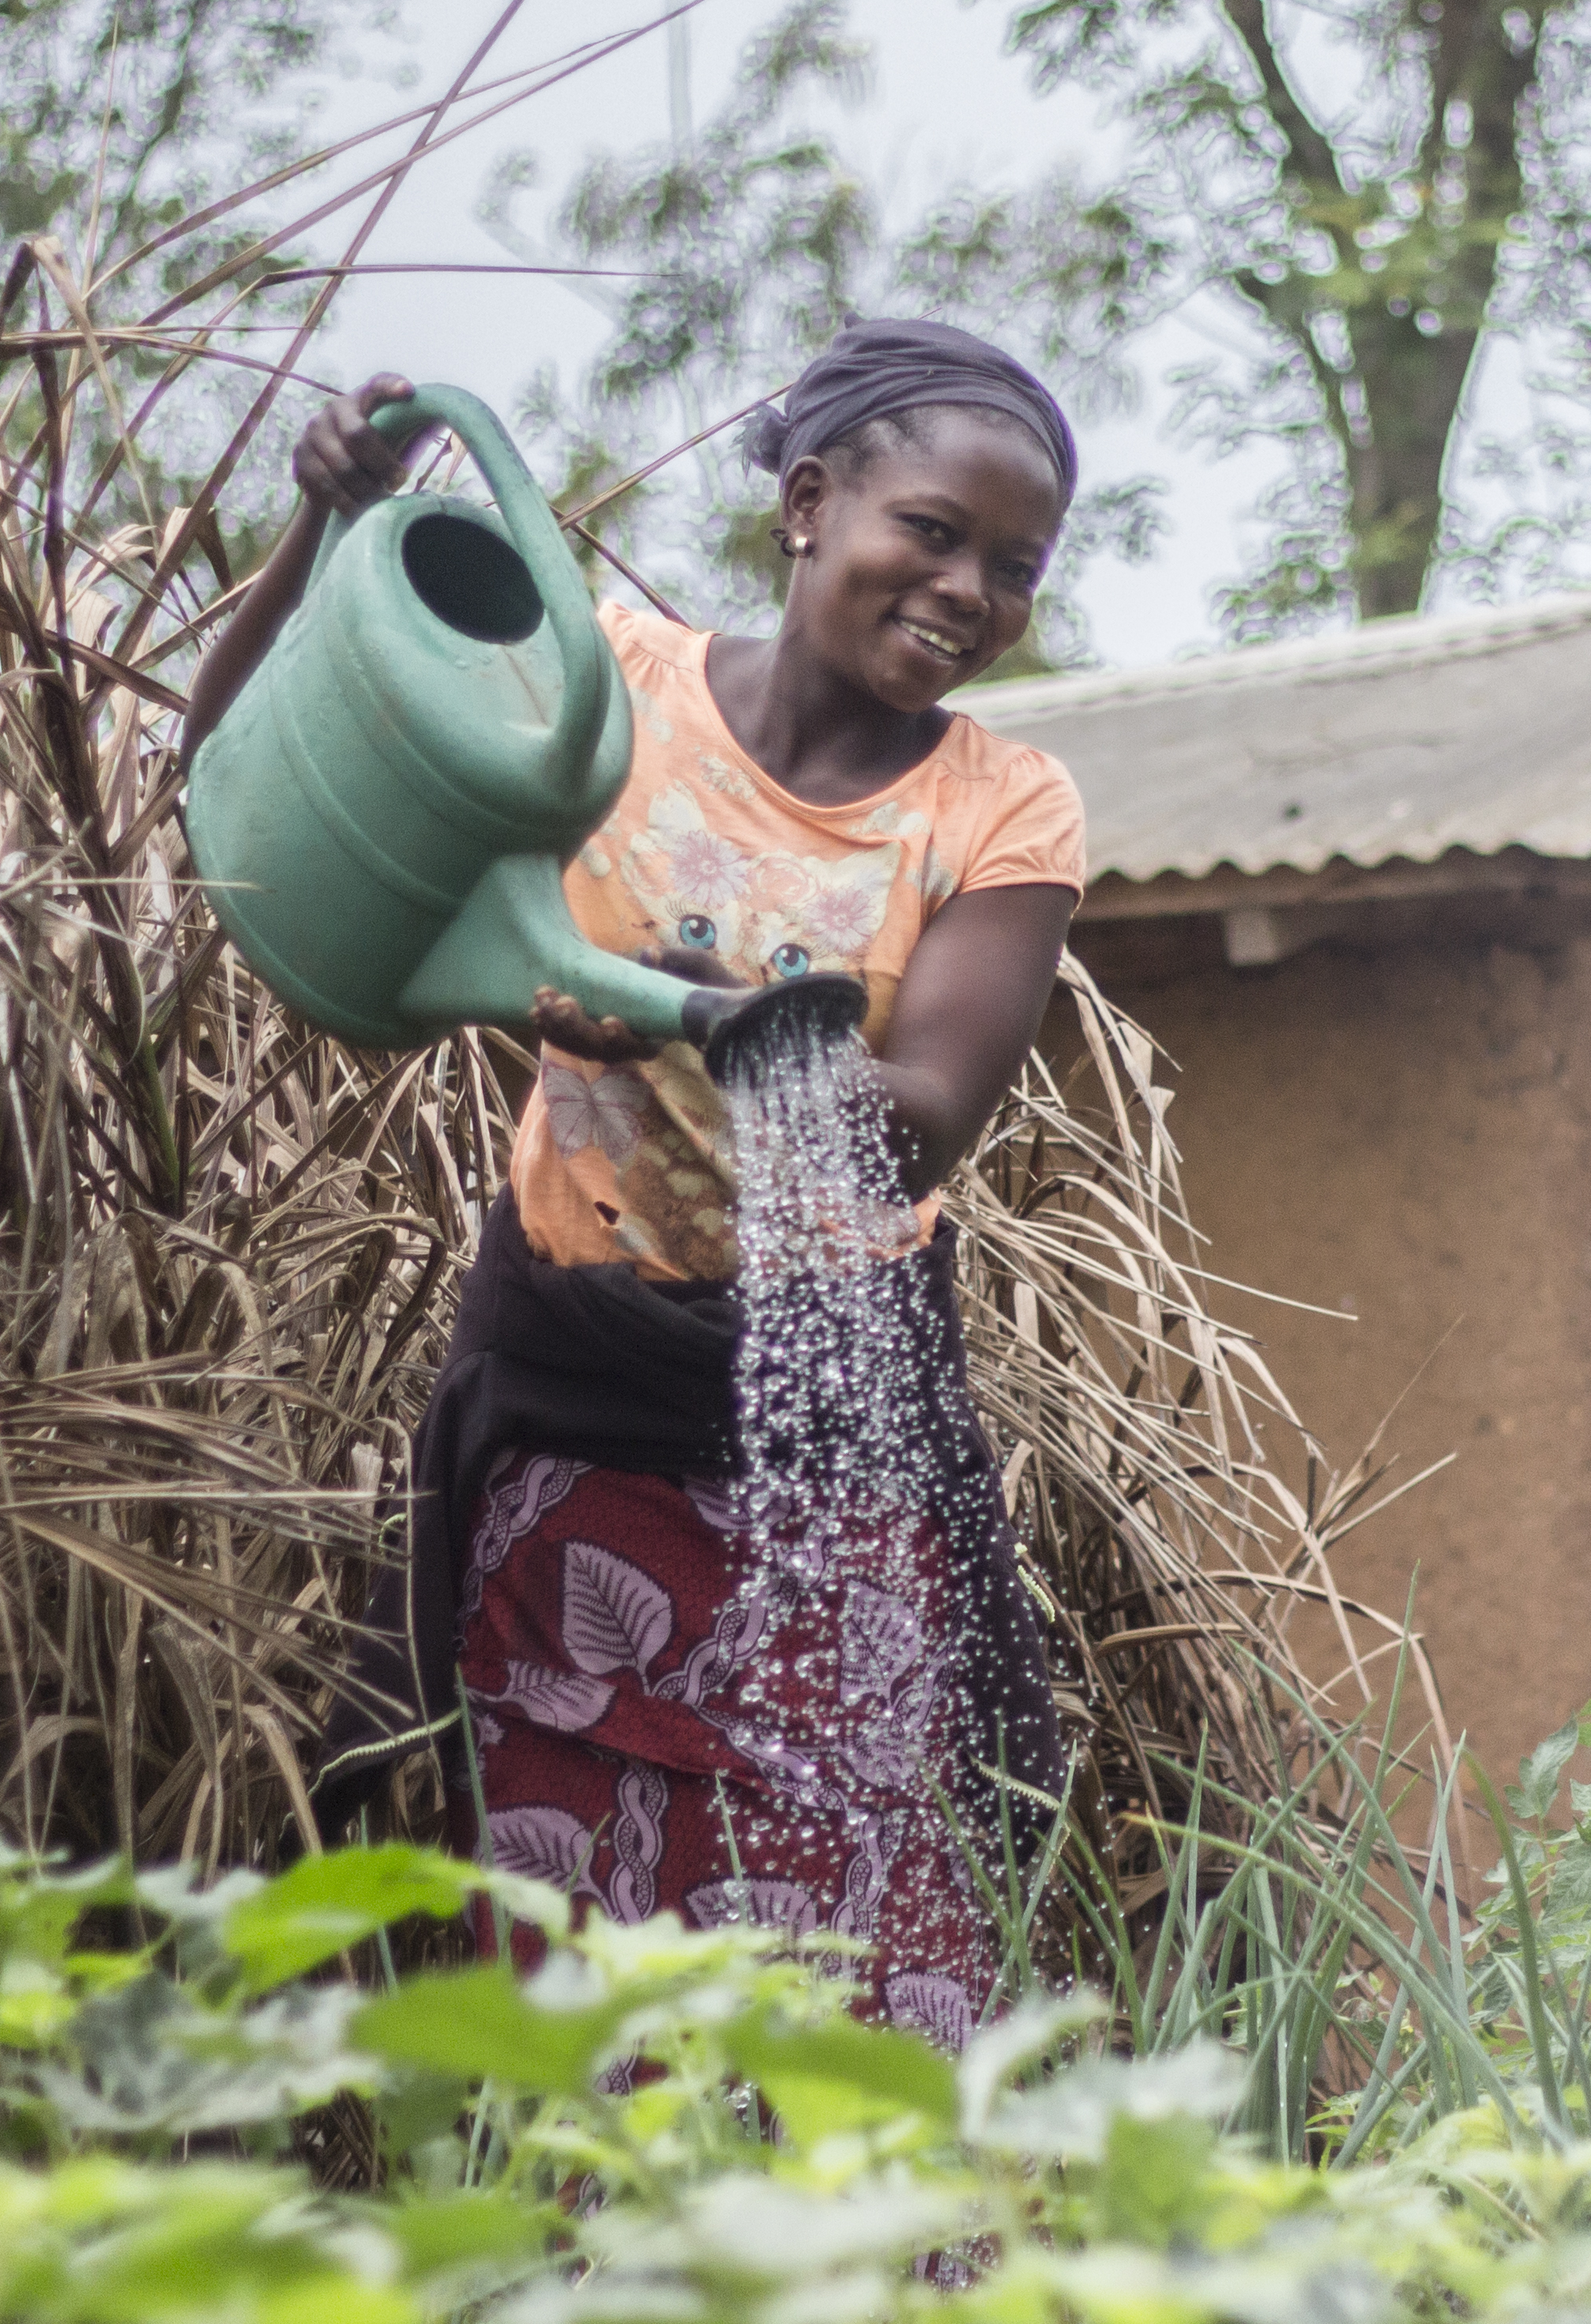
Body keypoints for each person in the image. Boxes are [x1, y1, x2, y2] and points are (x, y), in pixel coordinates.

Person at [196, 321, 1088, 2048]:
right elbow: (249, 787)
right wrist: (318, 530)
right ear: (812, 504)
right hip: (576, 1409)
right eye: (935, 531)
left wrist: (697, 1020)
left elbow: (922, 1117)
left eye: (1016, 568)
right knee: (558, 1941)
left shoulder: (1000, 806)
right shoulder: (603, 694)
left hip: (837, 1439)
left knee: (859, 1935)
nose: (970, 588)